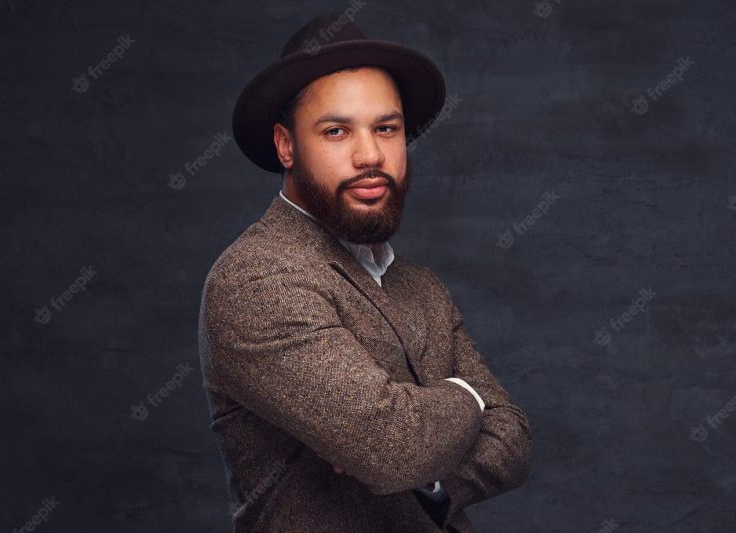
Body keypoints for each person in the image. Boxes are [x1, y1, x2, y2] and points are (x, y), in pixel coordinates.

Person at [198, 12, 532, 532]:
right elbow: (391, 448)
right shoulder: (258, 279)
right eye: (336, 131)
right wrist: (469, 396)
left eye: (386, 128)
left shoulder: (421, 286)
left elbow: (513, 437)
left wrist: (437, 484)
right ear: (287, 146)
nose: (370, 155)